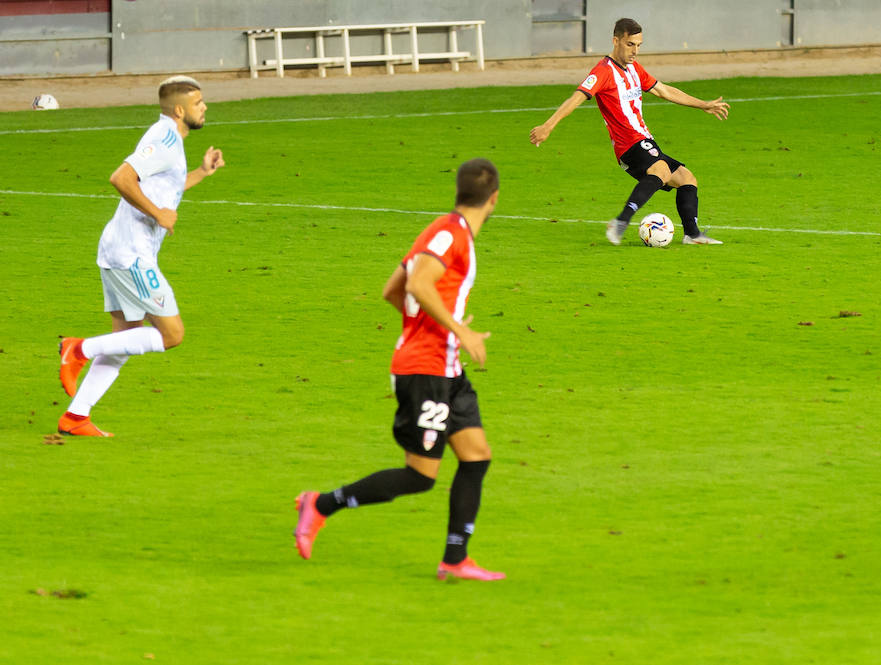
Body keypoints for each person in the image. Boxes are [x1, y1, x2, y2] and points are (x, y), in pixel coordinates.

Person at [294, 158, 505, 582]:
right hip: (426, 370)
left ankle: (455, 558)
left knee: (476, 455)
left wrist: (423, 329)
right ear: (494, 199)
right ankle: (319, 505)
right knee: (420, 475)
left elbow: (392, 289)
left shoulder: (442, 229)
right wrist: (458, 330)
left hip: (445, 368)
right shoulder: (451, 236)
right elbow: (416, 285)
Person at [57, 75, 225, 437]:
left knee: (124, 342)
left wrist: (201, 172)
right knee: (171, 334)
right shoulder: (163, 138)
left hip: (122, 249)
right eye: (198, 103)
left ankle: (75, 418)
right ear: (179, 110)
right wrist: (157, 214)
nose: (205, 107)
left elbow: (162, 186)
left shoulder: (172, 140)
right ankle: (77, 349)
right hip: (131, 254)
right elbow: (121, 177)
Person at [529, 17, 731, 245]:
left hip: (644, 140)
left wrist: (703, 104)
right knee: (662, 170)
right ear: (616, 41)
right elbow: (576, 98)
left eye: (638, 45)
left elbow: (665, 91)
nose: (635, 51)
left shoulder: (634, 69)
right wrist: (548, 125)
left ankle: (692, 235)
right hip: (628, 144)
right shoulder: (603, 71)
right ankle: (621, 221)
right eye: (630, 44)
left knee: (687, 179)